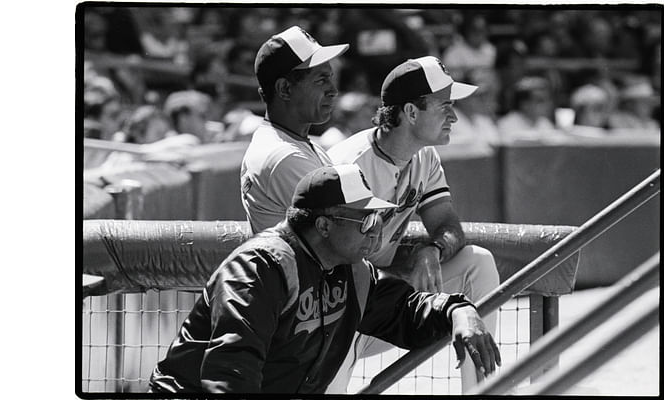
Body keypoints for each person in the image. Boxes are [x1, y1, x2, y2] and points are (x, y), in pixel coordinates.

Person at [149, 164, 500, 393]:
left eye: (376, 220)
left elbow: (405, 312)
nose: (375, 232)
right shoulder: (259, 269)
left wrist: (459, 311)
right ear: (324, 225)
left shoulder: (351, 269)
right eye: (365, 221)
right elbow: (230, 375)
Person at [326, 55, 501, 393]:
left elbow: (447, 224)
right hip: (334, 315)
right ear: (410, 112)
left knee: (477, 262)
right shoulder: (349, 168)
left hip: (382, 305)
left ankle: (480, 390)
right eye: (443, 106)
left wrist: (431, 249)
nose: (453, 115)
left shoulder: (425, 156)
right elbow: (334, 264)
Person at [240, 26, 347, 234]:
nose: (333, 90)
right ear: (285, 89)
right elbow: (344, 235)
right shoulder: (284, 156)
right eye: (321, 80)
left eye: (331, 78)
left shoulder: (297, 143)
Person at [497, 76, 556, 140]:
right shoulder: (507, 124)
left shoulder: (544, 123)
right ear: (524, 104)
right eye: (540, 100)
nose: (548, 104)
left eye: (548, 100)